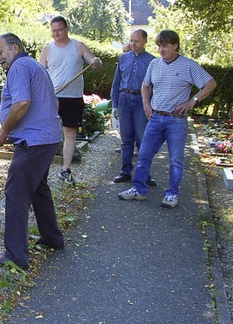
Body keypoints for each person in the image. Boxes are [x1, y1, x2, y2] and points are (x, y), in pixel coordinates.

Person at [0, 33, 64, 270]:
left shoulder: (20, 67)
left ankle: (16, 255)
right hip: (47, 139)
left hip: (34, 143)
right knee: (39, 188)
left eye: (0, 52)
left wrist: (4, 131)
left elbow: (21, 104)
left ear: (15, 48)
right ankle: (52, 238)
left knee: (16, 193)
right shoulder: (33, 66)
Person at [118, 30, 217, 208]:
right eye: (159, 46)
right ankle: (138, 189)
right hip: (156, 117)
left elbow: (210, 83)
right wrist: (146, 104)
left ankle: (172, 194)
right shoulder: (155, 64)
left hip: (176, 120)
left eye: (165, 46)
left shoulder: (188, 65)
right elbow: (145, 85)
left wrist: (192, 101)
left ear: (175, 46)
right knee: (144, 155)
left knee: (176, 159)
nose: (161, 50)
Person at [39, 16, 102, 184]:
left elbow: (94, 62)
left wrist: (96, 61)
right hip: (53, 97)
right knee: (46, 132)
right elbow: (39, 73)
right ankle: (41, 167)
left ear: (67, 29)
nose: (56, 33)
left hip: (73, 98)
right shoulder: (47, 49)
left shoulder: (78, 46)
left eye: (59, 30)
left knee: (70, 133)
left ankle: (65, 169)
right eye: (53, 30)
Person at [111, 29, 157, 186]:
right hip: (125, 99)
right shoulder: (123, 58)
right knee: (126, 138)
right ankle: (125, 171)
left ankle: (144, 173)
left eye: (136, 41)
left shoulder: (152, 61)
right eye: (131, 40)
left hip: (141, 101)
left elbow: (155, 86)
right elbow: (116, 83)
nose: (133, 44)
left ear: (145, 41)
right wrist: (114, 105)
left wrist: (152, 105)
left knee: (143, 139)